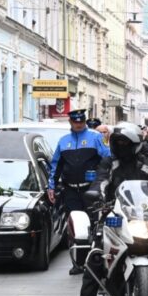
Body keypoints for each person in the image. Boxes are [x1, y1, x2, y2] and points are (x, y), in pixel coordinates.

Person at [74, 122, 148, 296]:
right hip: (114, 214)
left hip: (145, 215)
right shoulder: (109, 162)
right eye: (118, 142)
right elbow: (101, 181)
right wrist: (97, 197)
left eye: (125, 143)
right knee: (96, 253)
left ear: (135, 144)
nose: (121, 146)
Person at [48, 109, 111, 275]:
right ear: (70, 122)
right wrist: (51, 187)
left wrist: (103, 180)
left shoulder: (95, 137)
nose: (79, 125)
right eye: (75, 122)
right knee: (75, 227)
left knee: (94, 225)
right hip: (71, 190)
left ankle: (96, 261)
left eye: (81, 122)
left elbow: (107, 158)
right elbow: (56, 166)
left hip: (91, 190)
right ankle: (78, 262)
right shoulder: (63, 141)